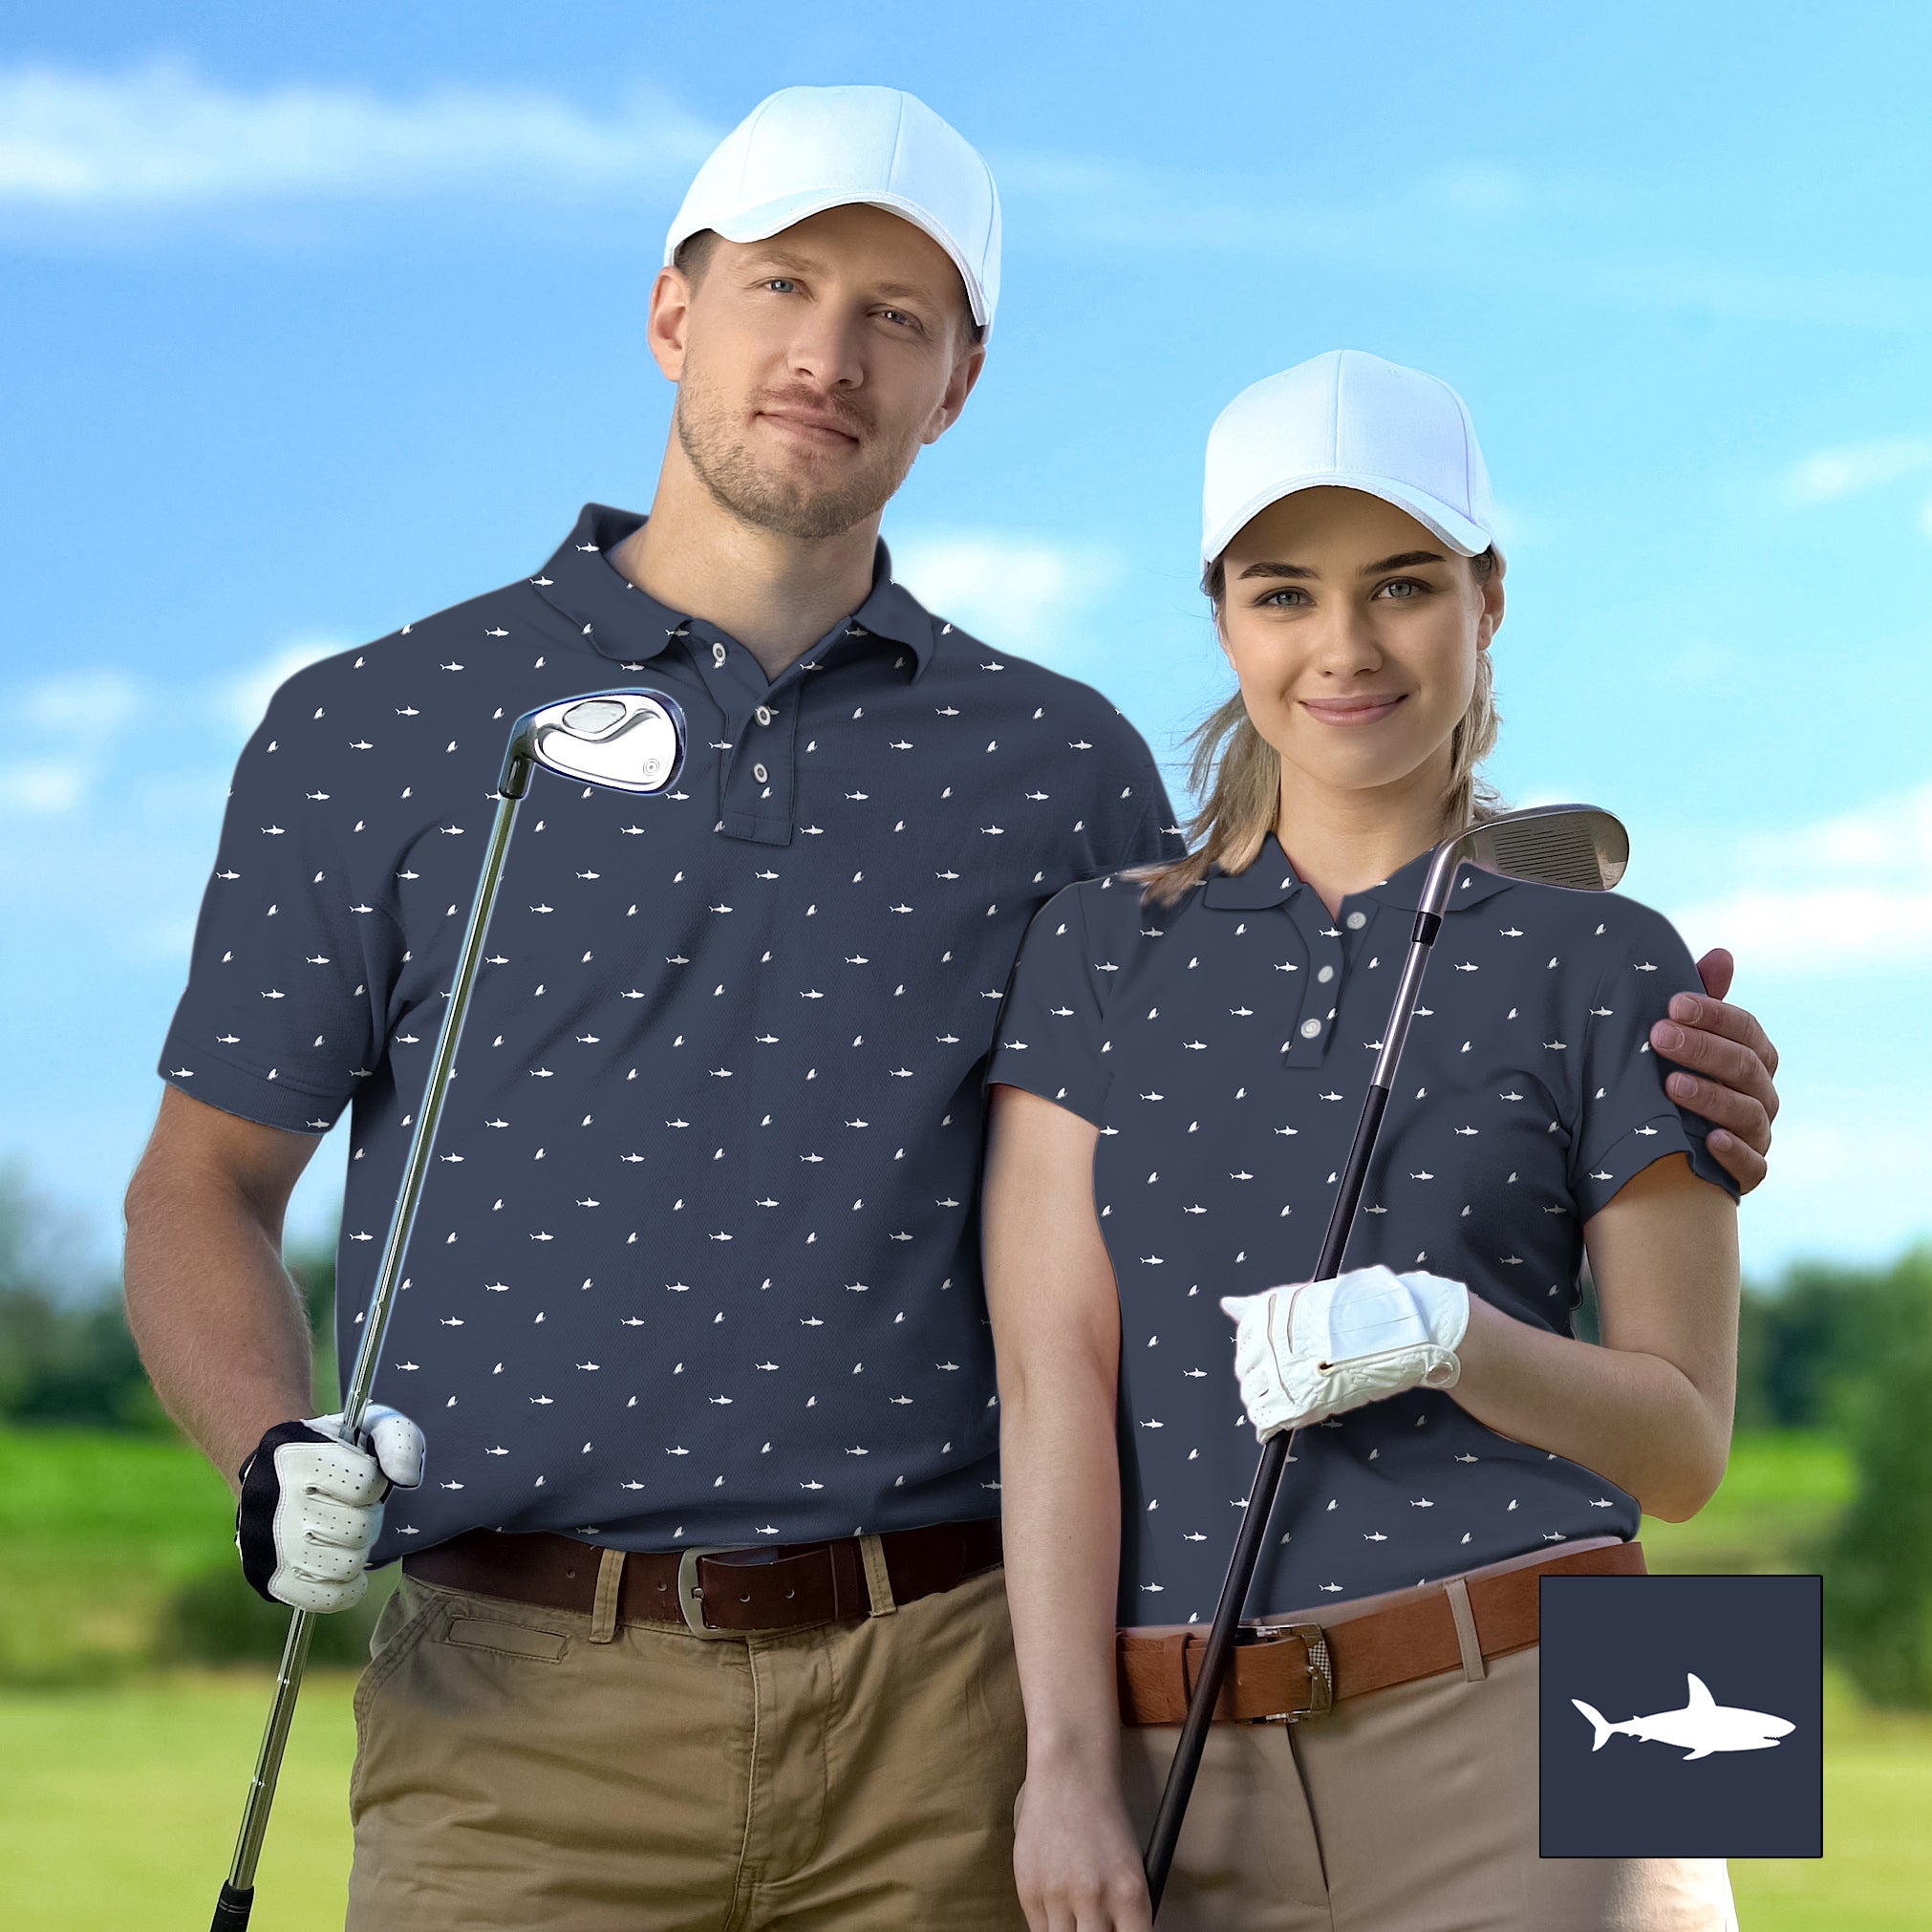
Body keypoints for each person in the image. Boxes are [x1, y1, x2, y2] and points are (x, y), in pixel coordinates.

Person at [119, 83, 1779, 1929]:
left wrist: (1627, 1038)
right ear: (673, 310)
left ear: (960, 379)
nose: (827, 355)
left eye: (894, 316)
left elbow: (1298, 1057)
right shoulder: (376, 724)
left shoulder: (1053, 764)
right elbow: (199, 1185)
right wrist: (270, 1452)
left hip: (956, 1695)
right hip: (513, 1707)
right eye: (780, 287)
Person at [983, 351, 1752, 1930]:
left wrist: (1446, 1335)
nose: (1342, 646)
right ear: (1220, 618)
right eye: (1283, 594)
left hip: (1588, 1684)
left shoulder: (1613, 954)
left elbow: (1682, 1455)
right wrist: (1061, 1761)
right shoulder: (1090, 952)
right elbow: (1052, 1378)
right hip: (1182, 1745)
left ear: (1485, 599)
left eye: (1400, 584)